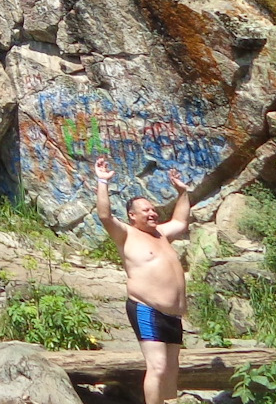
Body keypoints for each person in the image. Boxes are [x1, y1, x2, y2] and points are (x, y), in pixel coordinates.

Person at [93, 156, 191, 404]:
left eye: (153, 209)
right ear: (132, 216)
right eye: (145, 210)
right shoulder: (126, 234)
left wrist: (183, 192)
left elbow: (180, 221)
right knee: (157, 366)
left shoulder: (161, 234)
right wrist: (102, 182)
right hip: (147, 308)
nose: (152, 213)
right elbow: (104, 216)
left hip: (173, 315)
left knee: (171, 369)